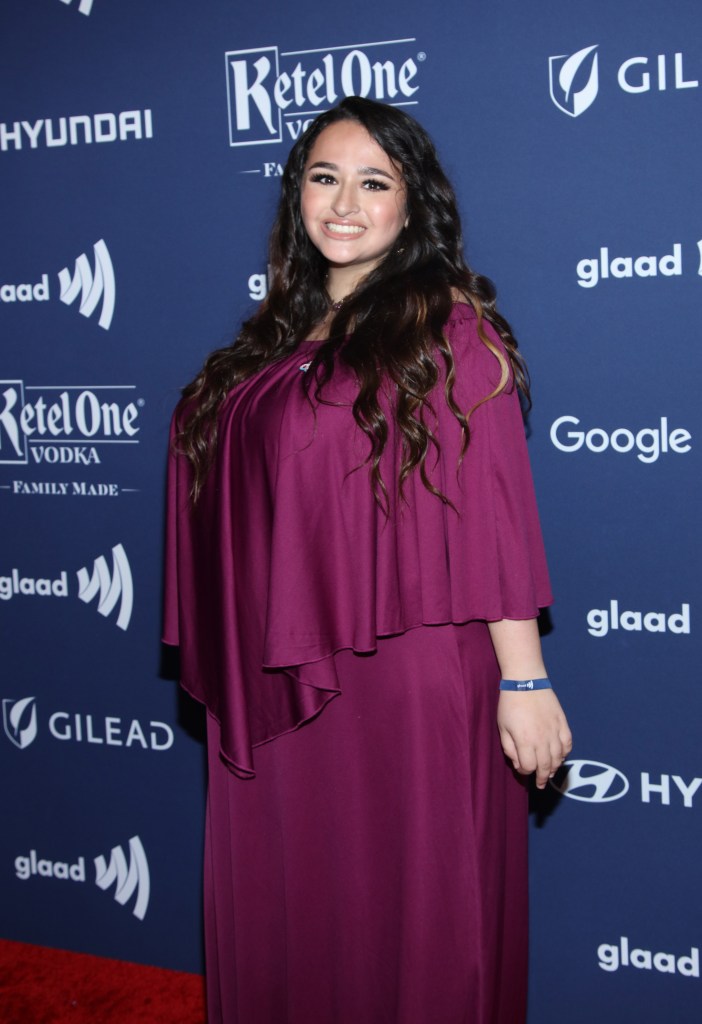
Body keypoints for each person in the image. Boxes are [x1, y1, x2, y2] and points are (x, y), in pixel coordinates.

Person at [163, 96, 572, 1024]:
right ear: (296, 197)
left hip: (411, 678)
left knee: (420, 923)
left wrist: (524, 682)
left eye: (373, 182)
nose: (344, 202)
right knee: (292, 912)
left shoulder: (449, 327)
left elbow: (492, 503)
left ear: (410, 205)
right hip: (276, 679)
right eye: (323, 177)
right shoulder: (271, 341)